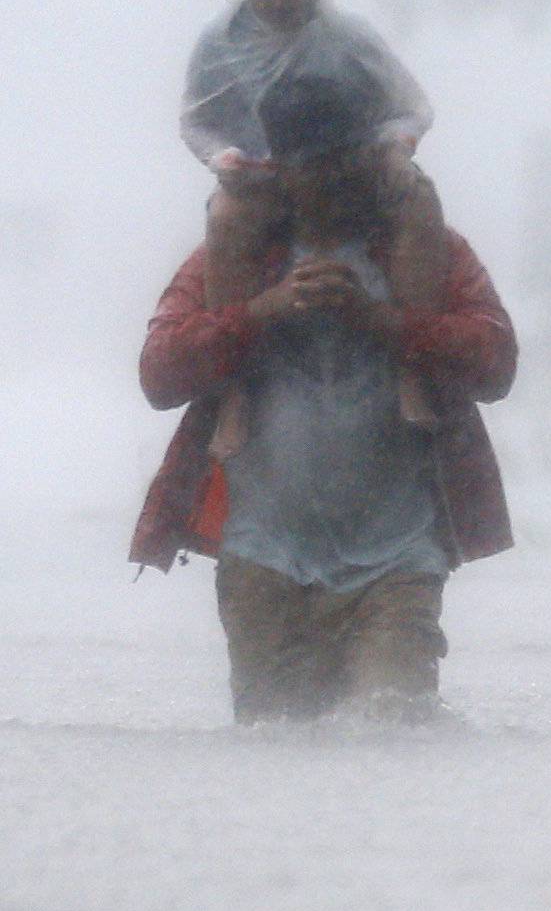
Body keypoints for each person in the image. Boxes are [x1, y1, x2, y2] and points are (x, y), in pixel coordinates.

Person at [131, 64, 516, 723]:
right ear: (276, 166)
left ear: (370, 158)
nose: (329, 181)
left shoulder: (427, 251)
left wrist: (387, 323)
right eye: (309, 163)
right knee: (274, 757)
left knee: (391, 737)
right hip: (263, 558)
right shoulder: (235, 256)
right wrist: (261, 312)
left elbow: (496, 364)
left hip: (398, 560)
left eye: (344, 161)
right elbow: (159, 374)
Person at [182, 0, 445, 458]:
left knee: (420, 197)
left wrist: (396, 152)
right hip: (269, 181)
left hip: (353, 168)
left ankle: (410, 369)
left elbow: (413, 107)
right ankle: (235, 393)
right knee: (224, 217)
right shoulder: (219, 41)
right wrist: (224, 162)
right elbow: (196, 120)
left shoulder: (348, 34)